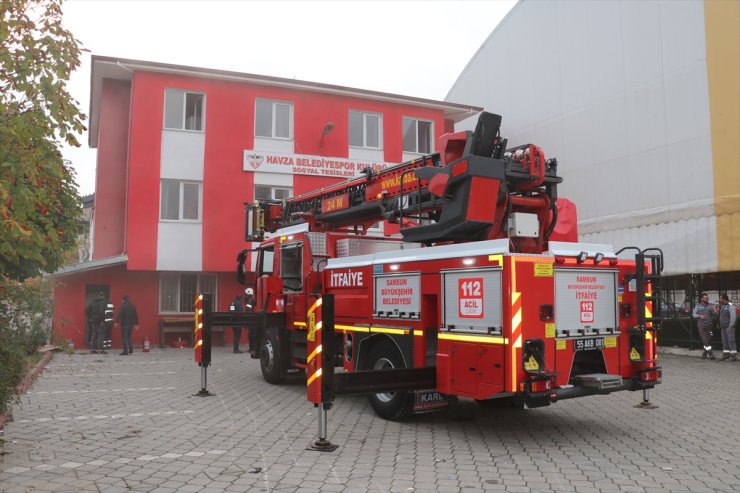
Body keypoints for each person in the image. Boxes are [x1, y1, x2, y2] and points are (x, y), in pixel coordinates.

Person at [692, 292, 716, 360]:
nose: (707, 299)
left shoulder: (711, 306)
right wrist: (699, 316)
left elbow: (715, 314)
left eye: (707, 298)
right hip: (701, 326)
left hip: (709, 326)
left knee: (708, 340)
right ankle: (711, 354)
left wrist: (714, 311)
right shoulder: (698, 306)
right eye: (705, 298)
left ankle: (704, 354)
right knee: (705, 340)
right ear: (702, 299)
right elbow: (693, 315)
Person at [718, 294, 737, 361]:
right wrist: (719, 323)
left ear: (724, 299)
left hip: (729, 327)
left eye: (720, 299)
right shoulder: (723, 306)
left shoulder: (730, 306)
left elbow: (733, 317)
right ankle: (726, 355)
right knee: (724, 342)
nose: (719, 300)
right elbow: (721, 316)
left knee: (731, 341)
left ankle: (733, 356)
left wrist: (730, 326)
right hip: (723, 327)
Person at [244, 287, 258, 358]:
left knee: (251, 336)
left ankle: (252, 349)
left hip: (251, 321)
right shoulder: (252, 299)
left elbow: (248, 311)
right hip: (253, 321)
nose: (245, 296)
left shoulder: (249, 301)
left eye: (245, 294)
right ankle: (252, 348)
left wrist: (247, 323)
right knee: (252, 335)